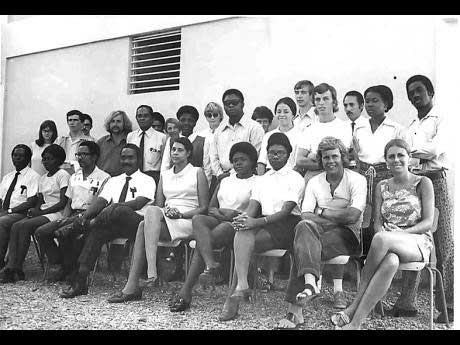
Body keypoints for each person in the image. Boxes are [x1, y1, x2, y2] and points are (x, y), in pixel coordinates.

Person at [331, 139, 435, 330]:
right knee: (391, 261)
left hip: (417, 242)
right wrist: (385, 235)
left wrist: (402, 233)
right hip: (388, 243)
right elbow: (377, 223)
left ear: (409, 158)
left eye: (400, 155)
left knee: (380, 239)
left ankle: (353, 306)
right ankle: (355, 324)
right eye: (391, 156)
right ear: (386, 161)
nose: (396, 160)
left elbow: (428, 222)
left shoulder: (423, 182)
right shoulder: (382, 186)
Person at [276, 137, 366, 329]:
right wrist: (332, 216)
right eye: (326, 158)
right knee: (303, 228)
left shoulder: (357, 180)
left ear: (342, 158)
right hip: (316, 231)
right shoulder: (315, 181)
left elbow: (353, 216)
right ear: (321, 160)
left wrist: (324, 212)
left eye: (335, 156)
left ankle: (296, 312)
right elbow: (306, 215)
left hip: (346, 235)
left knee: (301, 248)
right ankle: (309, 285)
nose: (330, 161)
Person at [107, 137, 209, 302]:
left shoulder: (197, 172)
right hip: (166, 218)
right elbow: (159, 205)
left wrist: (181, 214)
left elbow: (204, 208)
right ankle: (142, 278)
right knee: (148, 217)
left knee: (142, 225)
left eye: (180, 150)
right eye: (173, 149)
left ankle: (144, 277)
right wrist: (166, 211)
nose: (175, 153)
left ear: (189, 153)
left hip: (188, 219)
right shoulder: (165, 174)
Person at [219, 132, 305, 321]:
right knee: (242, 231)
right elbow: (253, 207)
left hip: (287, 224)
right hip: (265, 220)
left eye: (280, 153)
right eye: (271, 153)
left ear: (288, 154)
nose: (275, 156)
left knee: (247, 244)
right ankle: (242, 285)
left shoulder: (295, 177)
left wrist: (255, 222)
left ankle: (232, 300)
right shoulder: (263, 178)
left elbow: (285, 211)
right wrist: (243, 219)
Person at [389, 75, 453, 323]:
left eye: (419, 91)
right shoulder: (413, 124)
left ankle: (449, 303)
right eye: (411, 93)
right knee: (413, 236)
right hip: (415, 180)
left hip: (436, 179)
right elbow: (412, 158)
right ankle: (407, 302)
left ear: (430, 92)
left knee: (443, 240)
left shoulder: (443, 118)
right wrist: (411, 154)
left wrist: (409, 152)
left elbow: (435, 150)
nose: (415, 96)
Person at [168, 142, 258, 312]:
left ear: (253, 161)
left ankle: (186, 291)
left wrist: (229, 215)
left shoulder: (257, 182)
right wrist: (221, 214)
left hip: (238, 225)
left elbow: (251, 212)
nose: (238, 163)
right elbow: (210, 207)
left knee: (205, 242)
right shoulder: (225, 180)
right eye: (235, 160)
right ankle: (210, 264)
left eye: (243, 160)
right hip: (218, 218)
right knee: (198, 219)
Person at [59, 143, 157, 298]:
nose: (126, 161)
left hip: (137, 224)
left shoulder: (147, 180)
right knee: (97, 232)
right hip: (112, 223)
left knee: (119, 209)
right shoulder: (114, 180)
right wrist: (85, 216)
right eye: (123, 157)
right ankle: (81, 281)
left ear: (138, 160)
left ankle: (83, 225)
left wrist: (110, 210)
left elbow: (138, 203)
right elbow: (100, 201)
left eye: (130, 157)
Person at [34, 141, 110, 282]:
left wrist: (72, 220)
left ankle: (72, 270)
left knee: (63, 232)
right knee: (41, 232)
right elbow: (69, 202)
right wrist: (64, 218)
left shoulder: (104, 177)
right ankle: (61, 264)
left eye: (84, 154)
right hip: (72, 214)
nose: (80, 157)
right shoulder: (74, 176)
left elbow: (101, 203)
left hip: (91, 216)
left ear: (94, 157)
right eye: (78, 154)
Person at [0, 144, 70, 283]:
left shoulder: (63, 175)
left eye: (49, 159)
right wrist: (36, 210)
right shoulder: (44, 178)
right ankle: (11, 267)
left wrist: (41, 212)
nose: (45, 162)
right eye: (43, 159)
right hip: (44, 212)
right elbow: (41, 200)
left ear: (59, 160)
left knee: (24, 226)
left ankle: (16, 268)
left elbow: (63, 202)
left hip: (57, 213)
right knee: (16, 226)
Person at [353, 85, 409, 254]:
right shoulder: (359, 127)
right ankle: (363, 258)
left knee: (383, 215)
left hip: (386, 176)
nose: (370, 105)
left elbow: (403, 158)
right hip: (363, 176)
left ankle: (386, 257)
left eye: (375, 101)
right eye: (367, 101)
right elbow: (357, 154)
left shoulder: (397, 129)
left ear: (386, 104)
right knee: (364, 216)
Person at [295, 83, 352, 182]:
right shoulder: (309, 129)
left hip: (338, 178)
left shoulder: (344, 126)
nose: (321, 103)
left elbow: (343, 159)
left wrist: (313, 156)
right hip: (313, 178)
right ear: (314, 103)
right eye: (317, 99)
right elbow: (299, 160)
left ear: (333, 102)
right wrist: (329, 161)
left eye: (325, 99)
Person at [210, 89, 265, 183]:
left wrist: (230, 175)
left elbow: (255, 155)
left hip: (246, 179)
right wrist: (220, 174)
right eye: (227, 103)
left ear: (242, 104)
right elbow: (213, 156)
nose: (230, 105)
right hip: (221, 179)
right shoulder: (219, 130)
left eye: (234, 102)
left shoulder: (255, 127)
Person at [0, 145, 40, 269]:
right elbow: (1, 198)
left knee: (1, 222)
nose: (17, 158)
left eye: (21, 156)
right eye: (15, 155)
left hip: (21, 213)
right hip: (5, 211)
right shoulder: (8, 177)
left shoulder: (33, 176)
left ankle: (1, 262)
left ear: (28, 159)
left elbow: (31, 202)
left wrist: (9, 211)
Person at [161, 105, 211, 183]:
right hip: (174, 183)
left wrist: (204, 188)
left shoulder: (203, 141)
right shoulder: (172, 140)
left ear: (195, 123)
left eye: (190, 120)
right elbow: (165, 165)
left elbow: (207, 169)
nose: (186, 123)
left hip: (194, 185)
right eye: (183, 120)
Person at [257, 97, 301, 175]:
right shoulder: (268, 135)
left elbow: (298, 164)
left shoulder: (300, 134)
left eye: (286, 112)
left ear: (293, 115)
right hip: (270, 175)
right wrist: (261, 180)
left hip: (291, 175)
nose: (282, 115)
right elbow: (262, 162)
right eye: (279, 112)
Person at [127, 105, 167, 185]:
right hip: (135, 177)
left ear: (152, 118)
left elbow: (165, 163)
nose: (142, 118)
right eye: (139, 116)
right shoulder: (131, 136)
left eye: (146, 116)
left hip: (154, 177)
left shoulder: (161, 137)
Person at [56, 110, 94, 175]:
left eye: (75, 120)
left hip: (80, 176)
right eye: (70, 120)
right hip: (61, 176)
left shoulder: (90, 141)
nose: (72, 123)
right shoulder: (60, 140)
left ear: (82, 123)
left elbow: (91, 162)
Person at [96, 110, 133, 177]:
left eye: (118, 121)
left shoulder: (130, 141)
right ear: (109, 124)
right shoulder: (101, 142)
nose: (115, 124)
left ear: (124, 123)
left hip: (123, 180)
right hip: (103, 180)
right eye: (112, 121)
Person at [343, 91, 367, 169]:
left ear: (361, 106)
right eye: (345, 105)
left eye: (351, 105)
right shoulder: (341, 126)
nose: (348, 109)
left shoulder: (369, 126)